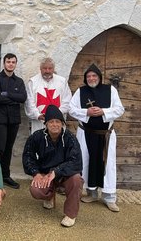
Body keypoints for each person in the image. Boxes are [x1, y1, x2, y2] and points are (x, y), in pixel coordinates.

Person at [69, 64, 124, 212]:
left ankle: (109, 198)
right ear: (85, 78)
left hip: (105, 135)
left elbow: (120, 109)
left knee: (107, 165)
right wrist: (86, 112)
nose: (91, 78)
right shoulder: (81, 91)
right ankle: (92, 193)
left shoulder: (110, 90)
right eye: (88, 76)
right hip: (86, 133)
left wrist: (104, 112)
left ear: (99, 77)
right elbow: (71, 109)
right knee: (87, 163)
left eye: (94, 76)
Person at [22, 105, 83, 227]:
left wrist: (56, 171)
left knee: (77, 180)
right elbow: (28, 156)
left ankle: (70, 214)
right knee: (36, 189)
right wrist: (36, 173)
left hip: (65, 175)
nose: (55, 124)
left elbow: (76, 161)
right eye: (51, 121)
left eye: (58, 121)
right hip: (45, 174)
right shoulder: (36, 137)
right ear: (46, 124)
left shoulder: (70, 138)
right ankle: (49, 196)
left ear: (62, 123)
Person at [0, 53, 27, 189]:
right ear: (4, 63)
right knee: (0, 148)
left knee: (8, 149)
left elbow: (23, 98)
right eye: (8, 62)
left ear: (15, 64)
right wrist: (13, 99)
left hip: (14, 120)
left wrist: (7, 94)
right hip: (0, 119)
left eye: (13, 62)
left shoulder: (19, 81)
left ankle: (6, 175)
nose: (10, 64)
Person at [25, 57, 72, 134]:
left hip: (57, 123)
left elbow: (67, 100)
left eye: (50, 68)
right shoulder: (33, 82)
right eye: (45, 68)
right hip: (39, 122)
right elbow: (29, 102)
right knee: (39, 142)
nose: (47, 71)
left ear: (53, 69)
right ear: (40, 68)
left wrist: (55, 115)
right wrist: (38, 115)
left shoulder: (62, 81)